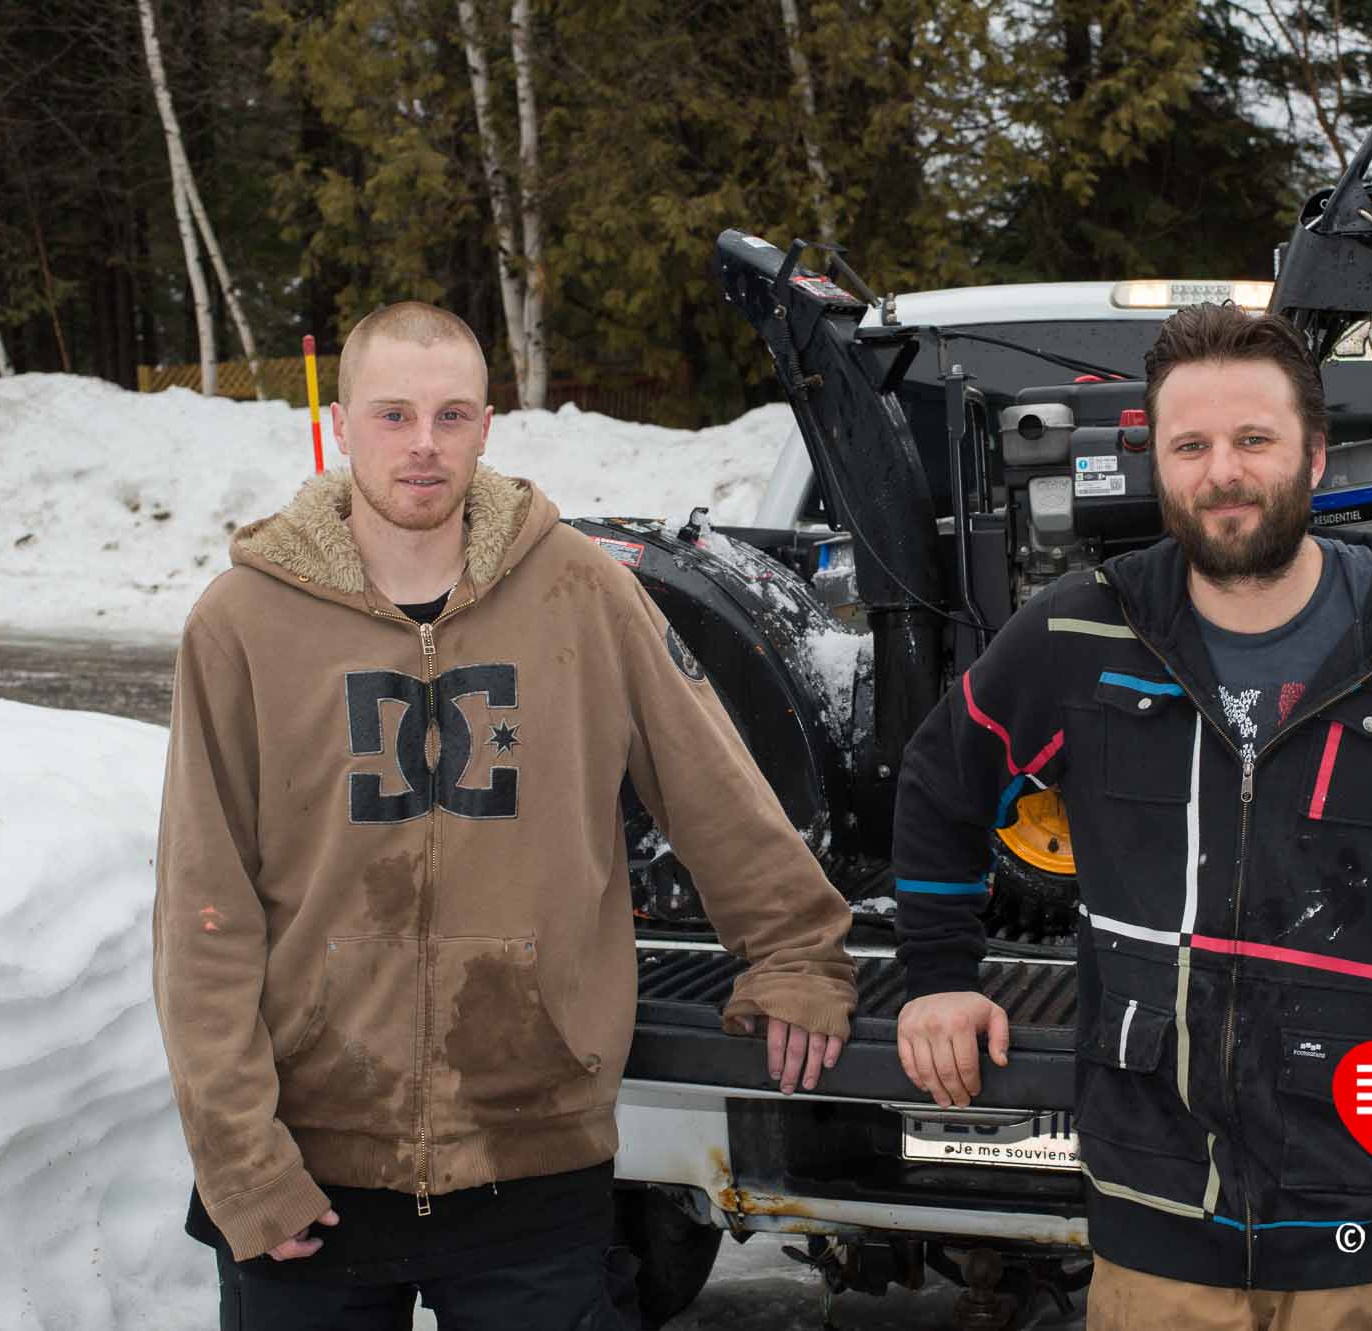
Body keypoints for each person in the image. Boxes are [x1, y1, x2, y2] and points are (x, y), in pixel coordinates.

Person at [889, 303, 1372, 1329]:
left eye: (1253, 439)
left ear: (1314, 457)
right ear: (1157, 464)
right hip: (1156, 1220)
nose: (1222, 472)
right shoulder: (1080, 633)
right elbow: (941, 781)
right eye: (1190, 445)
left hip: (1370, 1224)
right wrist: (938, 975)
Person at [153, 301, 856, 1330]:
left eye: (452, 415)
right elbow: (201, 911)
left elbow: (711, 783)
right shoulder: (243, 622)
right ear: (341, 425)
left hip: (533, 1157)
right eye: (393, 414)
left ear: (487, 425)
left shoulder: (581, 590)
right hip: (311, 1160)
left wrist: (794, 951)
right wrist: (240, 1160)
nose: (424, 444)